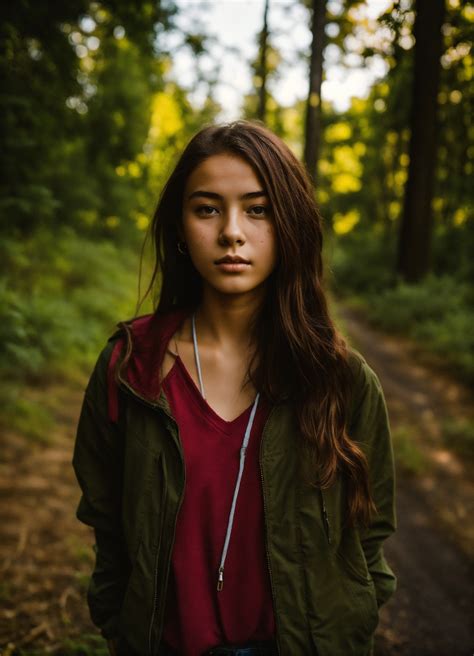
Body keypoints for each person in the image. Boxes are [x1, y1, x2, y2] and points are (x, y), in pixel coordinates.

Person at [73, 120, 397, 656]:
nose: (232, 232)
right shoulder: (131, 371)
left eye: (258, 209)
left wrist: (349, 625)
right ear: (180, 227)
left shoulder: (341, 381)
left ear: (288, 223)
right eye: (206, 208)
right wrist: (117, 622)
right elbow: (106, 523)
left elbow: (370, 535)